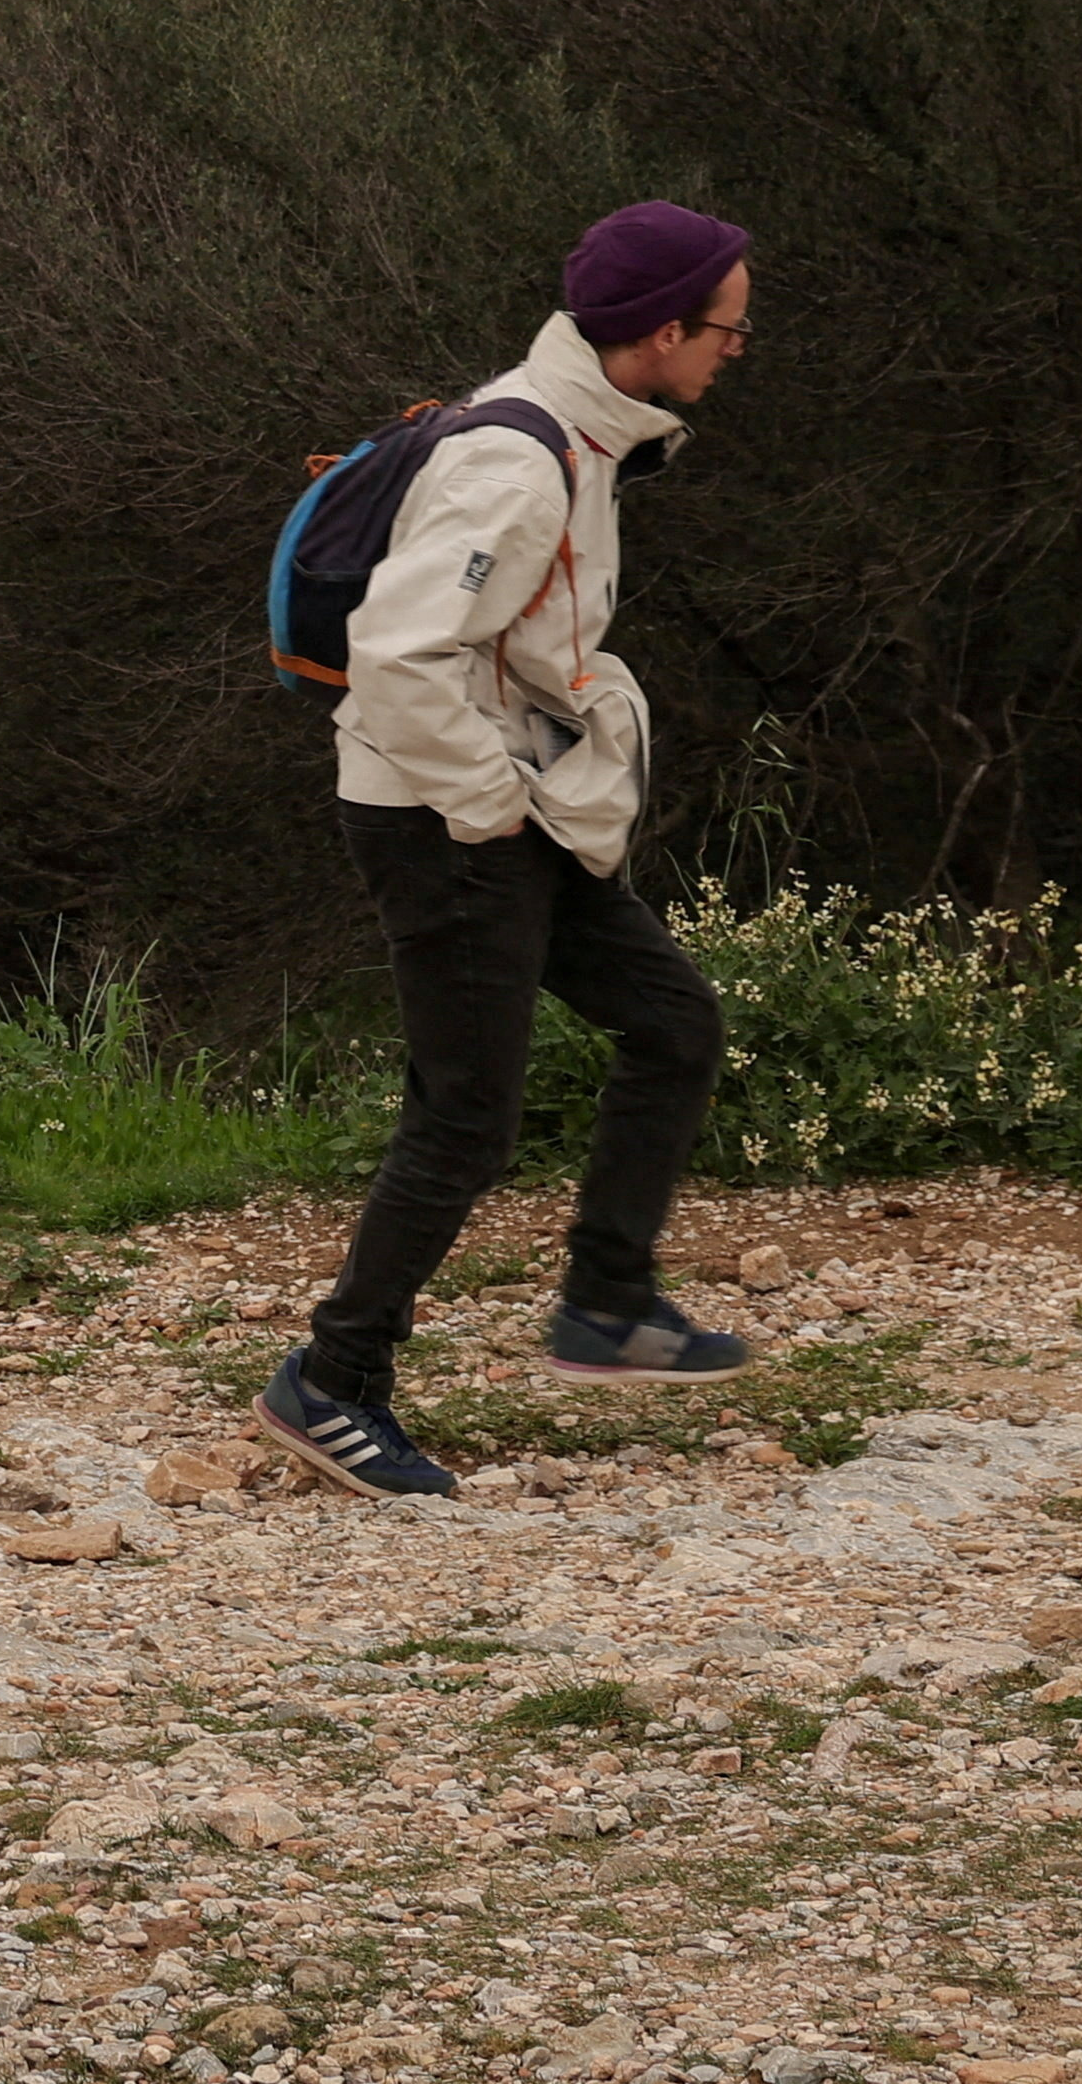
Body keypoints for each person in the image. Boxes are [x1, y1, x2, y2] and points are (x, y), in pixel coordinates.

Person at [260, 202, 760, 1499]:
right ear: (659, 332)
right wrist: (485, 806)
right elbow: (395, 657)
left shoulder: (581, 438)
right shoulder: (520, 467)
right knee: (465, 1117)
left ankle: (605, 1302)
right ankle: (334, 1381)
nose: (735, 348)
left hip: (510, 804)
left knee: (673, 1025)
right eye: (727, 327)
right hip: (445, 814)